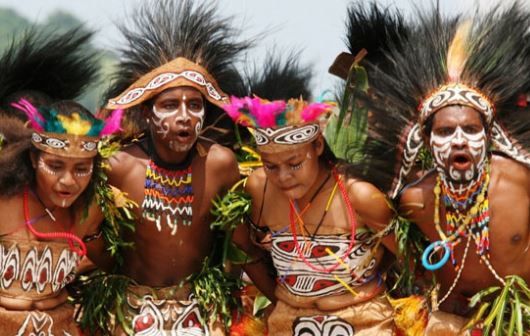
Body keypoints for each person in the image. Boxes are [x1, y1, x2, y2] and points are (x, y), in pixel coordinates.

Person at [349, 3, 530, 334]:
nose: (459, 141)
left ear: (488, 136)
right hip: (447, 324)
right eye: (446, 132)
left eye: (470, 130)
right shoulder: (414, 199)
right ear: (427, 140)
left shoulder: (520, 179)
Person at [81, 1, 254, 334]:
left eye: (195, 105)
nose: (185, 116)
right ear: (147, 114)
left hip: (202, 311)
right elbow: (88, 234)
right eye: (170, 105)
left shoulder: (220, 164)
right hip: (130, 311)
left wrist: (234, 299)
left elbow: (238, 240)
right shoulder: (119, 166)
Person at [222, 94, 397, 335]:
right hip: (287, 320)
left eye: (294, 164)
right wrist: (278, 300)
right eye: (271, 166)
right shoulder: (260, 189)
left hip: (365, 321)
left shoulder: (359, 196)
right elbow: (242, 248)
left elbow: (410, 258)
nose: (283, 177)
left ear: (317, 146)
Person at [0, 99, 121, 335]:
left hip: (59, 326)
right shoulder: (5, 200)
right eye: (55, 166)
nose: (68, 181)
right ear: (34, 160)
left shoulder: (92, 208)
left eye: (81, 169)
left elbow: (113, 264)